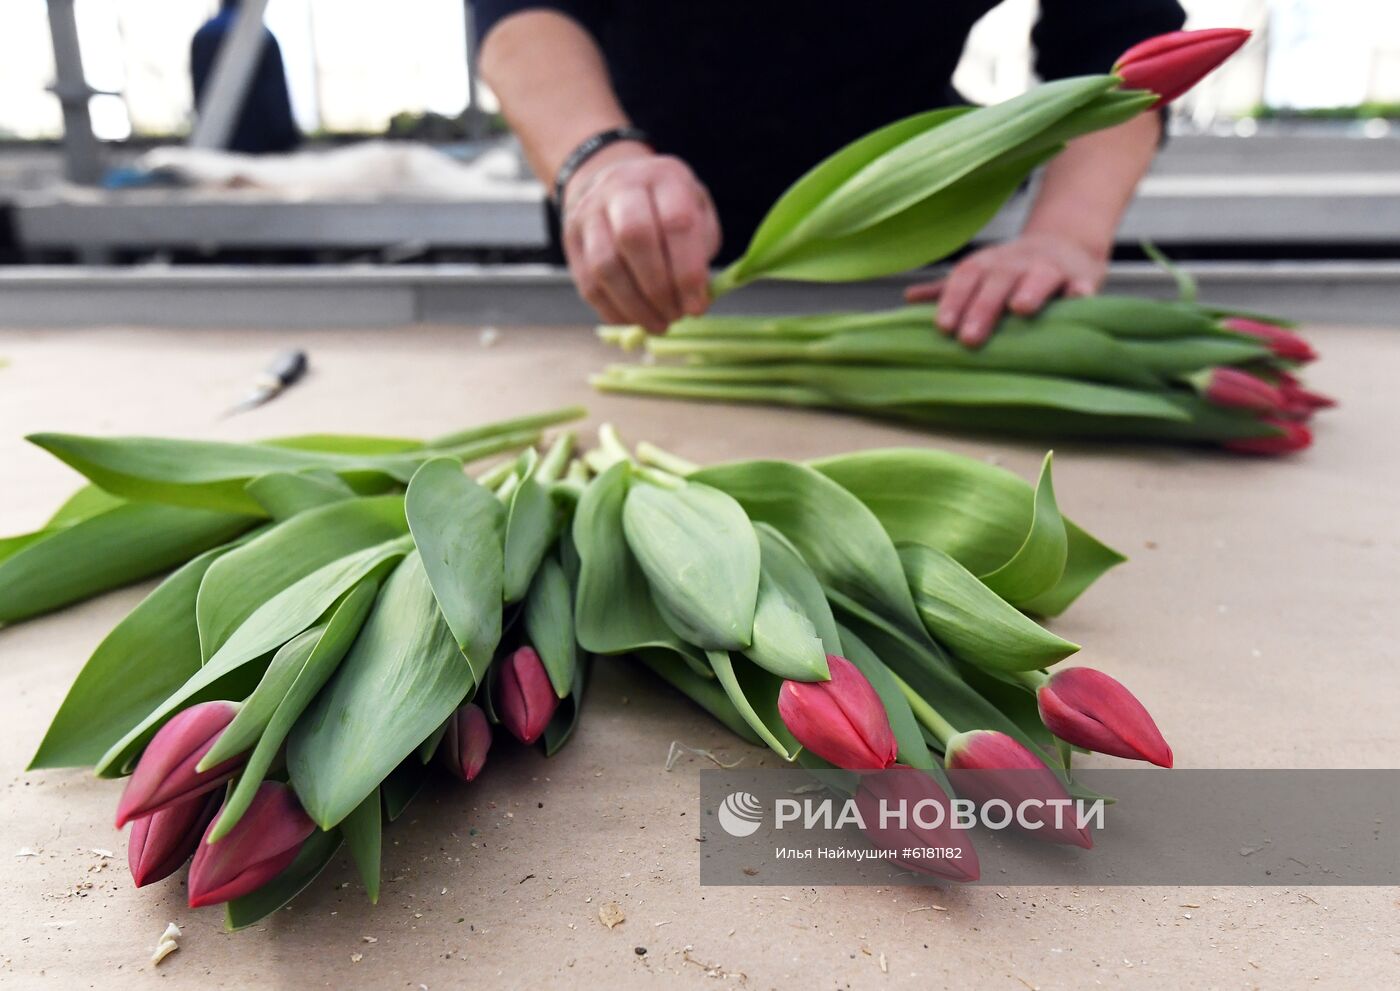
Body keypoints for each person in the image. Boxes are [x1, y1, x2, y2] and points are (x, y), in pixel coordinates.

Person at [472, 1, 1186, 343]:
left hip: (899, 269)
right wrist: (595, 162)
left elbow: (1118, 38)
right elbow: (518, 10)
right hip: (617, 249)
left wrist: (1065, 235)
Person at [191, 0, 301, 156]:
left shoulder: (202, 37)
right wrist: (288, 144)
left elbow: (199, 96)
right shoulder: (263, 37)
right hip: (261, 152)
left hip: (216, 152)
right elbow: (277, 99)